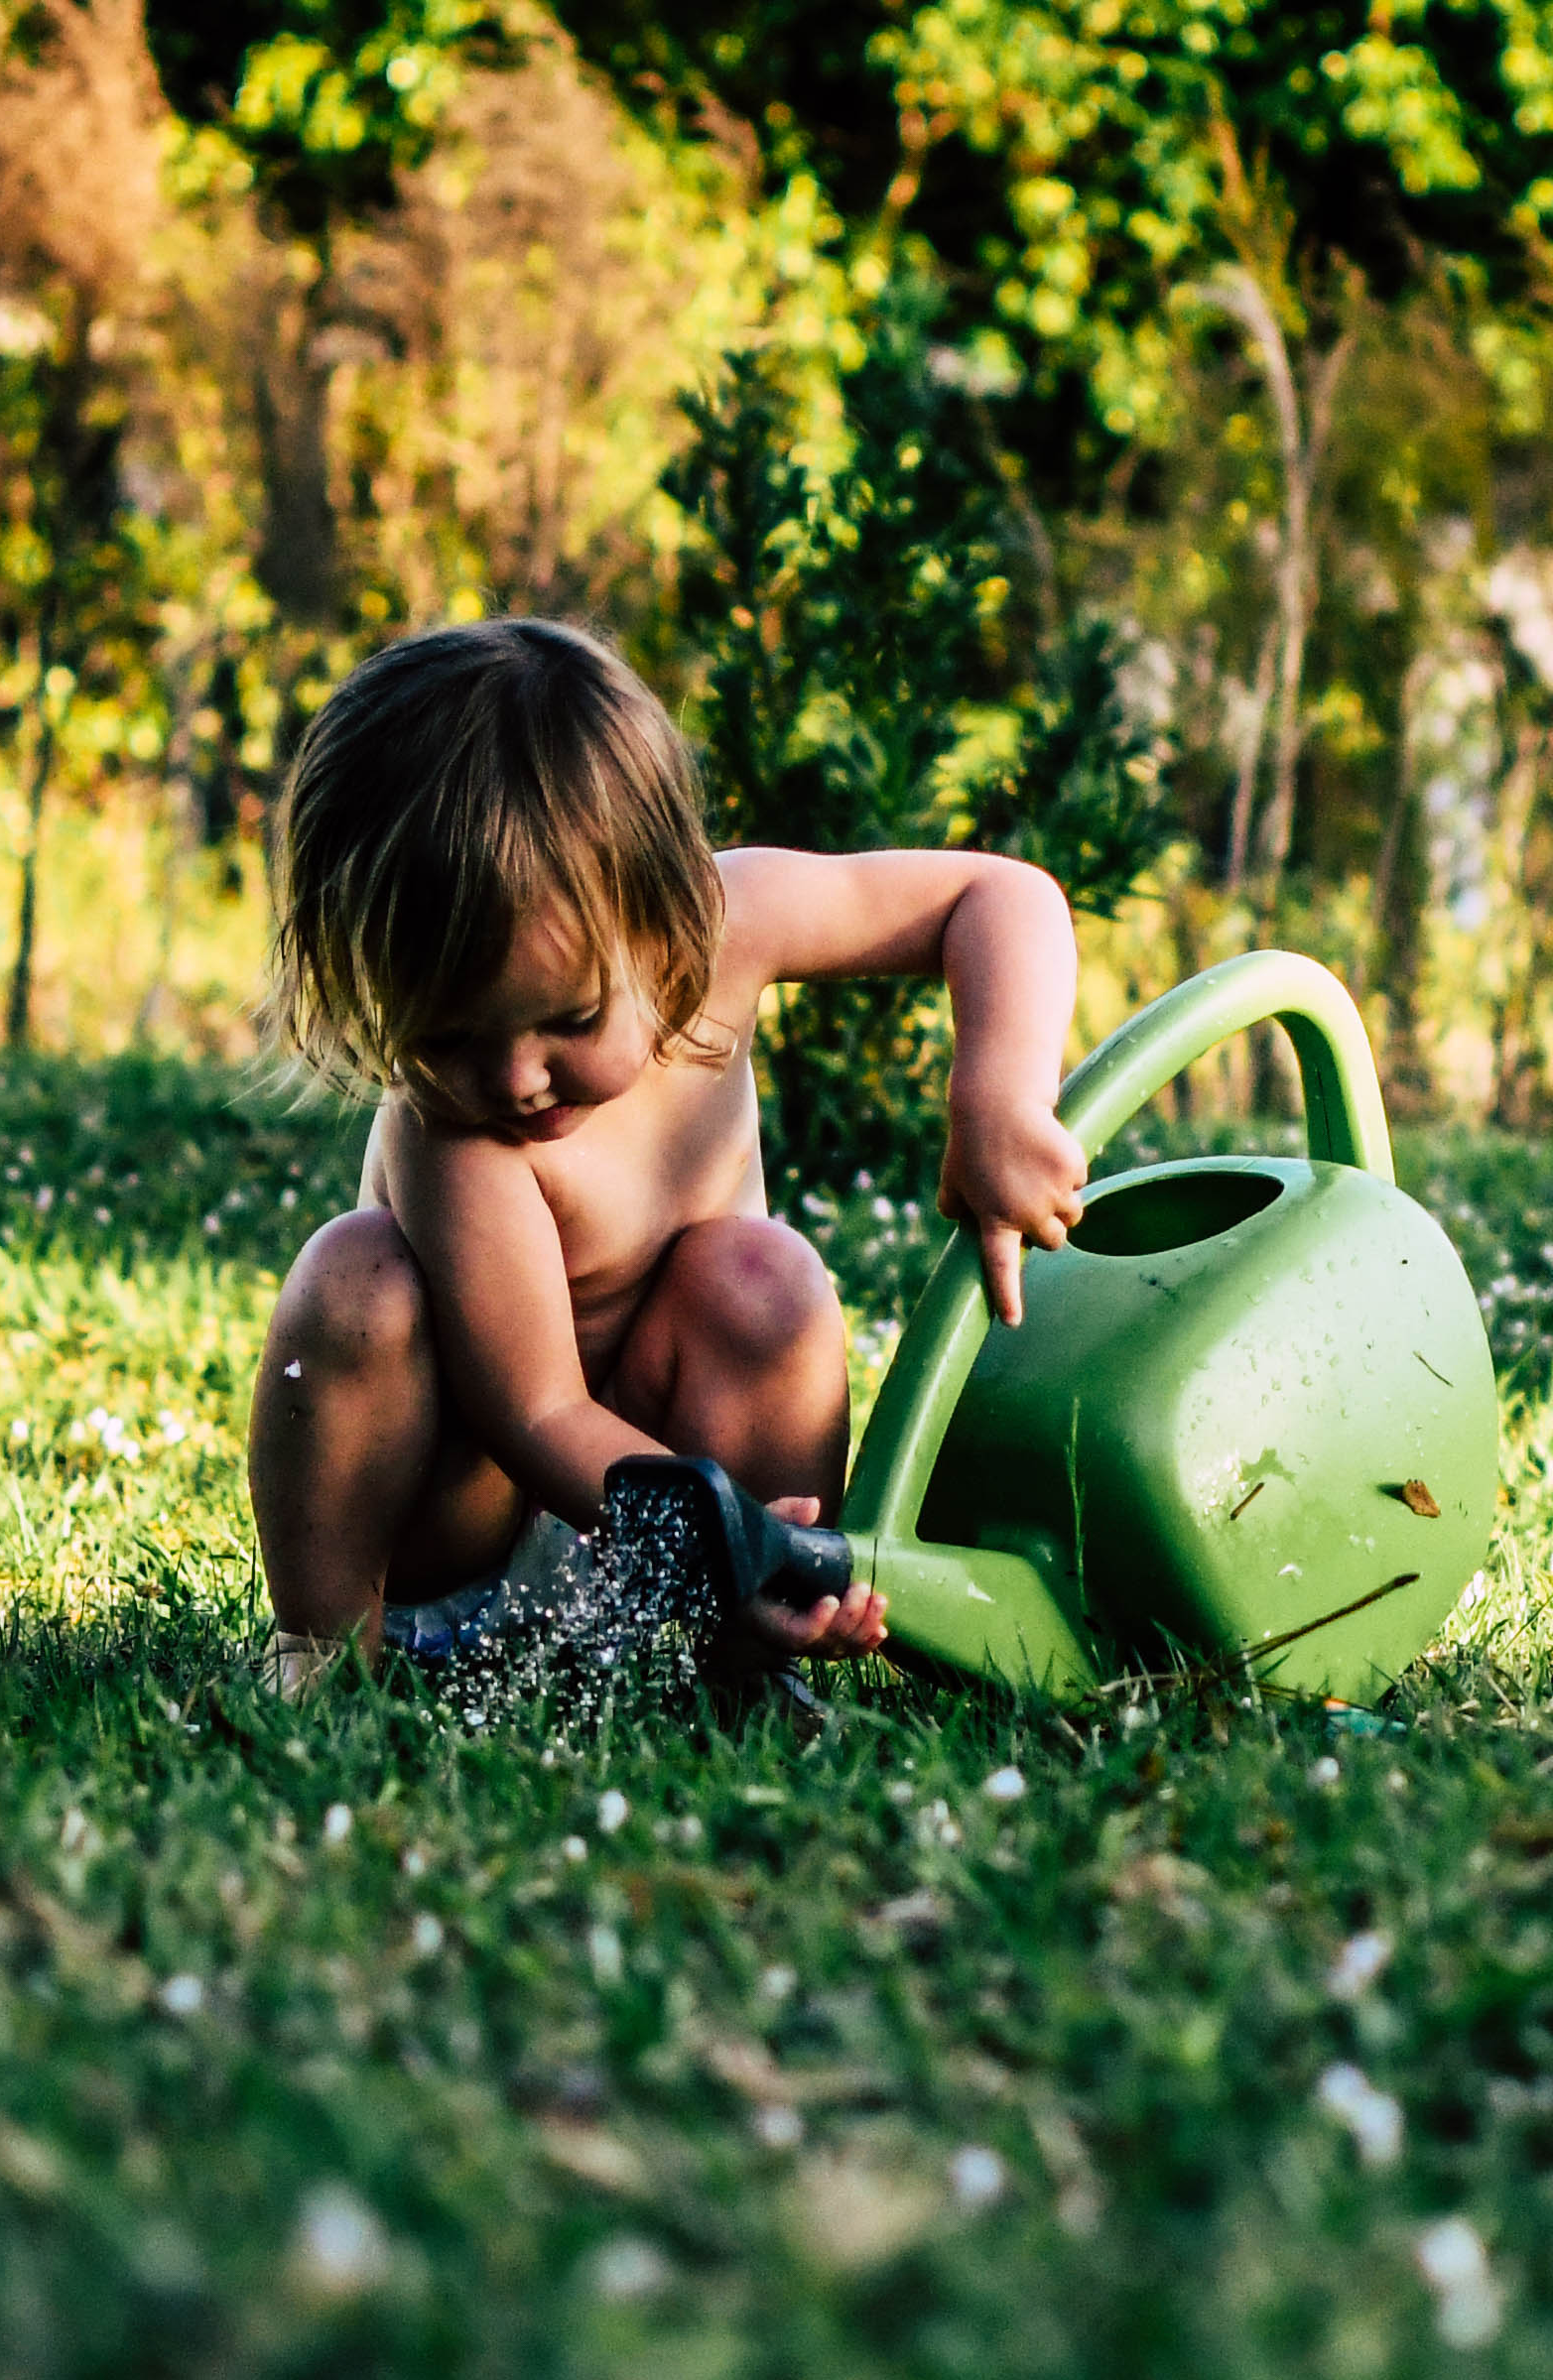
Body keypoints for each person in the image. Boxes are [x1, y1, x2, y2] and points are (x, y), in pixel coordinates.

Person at [247, 617, 1086, 1680]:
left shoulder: (734, 919)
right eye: (448, 1038)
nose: (512, 1078)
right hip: (471, 1525)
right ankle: (321, 1643)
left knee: (763, 1277)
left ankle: (748, 1654)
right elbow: (540, 1412)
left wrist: (1002, 1094)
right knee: (355, 1278)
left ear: (668, 915)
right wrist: (729, 1541)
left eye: (571, 1017)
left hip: (677, 1491)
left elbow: (999, 896)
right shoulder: (452, 1136)